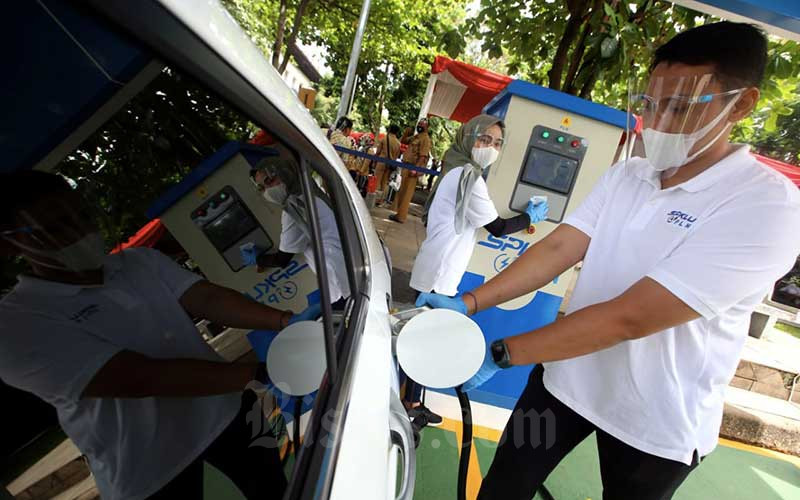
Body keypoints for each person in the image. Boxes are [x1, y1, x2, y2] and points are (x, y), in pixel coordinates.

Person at [417, 22, 800, 500]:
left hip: (655, 419)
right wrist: (470, 302)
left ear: (741, 104)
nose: (657, 122)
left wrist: (503, 353)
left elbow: (630, 317)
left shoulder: (764, 206)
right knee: (502, 489)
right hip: (566, 381)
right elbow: (558, 249)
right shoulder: (627, 176)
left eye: (678, 107)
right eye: (650, 104)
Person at [0, 171, 321, 500]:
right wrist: (256, 373)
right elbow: (136, 378)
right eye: (55, 227)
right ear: (10, 244)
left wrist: (286, 321)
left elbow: (208, 299)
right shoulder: (16, 324)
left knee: (281, 492)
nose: (79, 231)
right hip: (151, 470)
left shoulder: (138, 263)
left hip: (227, 416)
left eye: (81, 216)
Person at [404, 114, 549, 429]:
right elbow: (497, 227)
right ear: (469, 138)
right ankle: (410, 405)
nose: (490, 148)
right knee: (422, 342)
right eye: (484, 139)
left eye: (497, 143)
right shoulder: (467, 176)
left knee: (425, 340)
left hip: (438, 269)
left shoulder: (457, 171)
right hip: (438, 274)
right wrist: (529, 217)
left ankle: (414, 402)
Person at [242, 154, 350, 308]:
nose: (268, 191)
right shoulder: (309, 192)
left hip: (340, 281)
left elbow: (282, 259)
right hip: (345, 270)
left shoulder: (296, 206)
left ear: (285, 174)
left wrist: (257, 259)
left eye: (270, 181)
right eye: (262, 188)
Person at [390, 119, 432, 223]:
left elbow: (423, 156)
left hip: (412, 168)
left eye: (422, 125)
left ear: (427, 127)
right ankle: (398, 214)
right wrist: (406, 133)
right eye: (419, 124)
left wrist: (415, 169)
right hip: (406, 166)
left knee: (407, 193)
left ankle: (401, 217)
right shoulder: (417, 136)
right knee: (402, 191)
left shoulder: (425, 139)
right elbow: (404, 141)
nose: (419, 126)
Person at [374, 124, 402, 196]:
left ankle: (374, 197)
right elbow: (396, 156)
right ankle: (381, 200)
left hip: (381, 162)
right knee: (385, 182)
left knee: (377, 181)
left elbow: (378, 152)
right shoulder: (398, 143)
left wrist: (374, 161)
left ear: (389, 129)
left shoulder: (384, 139)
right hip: (390, 164)